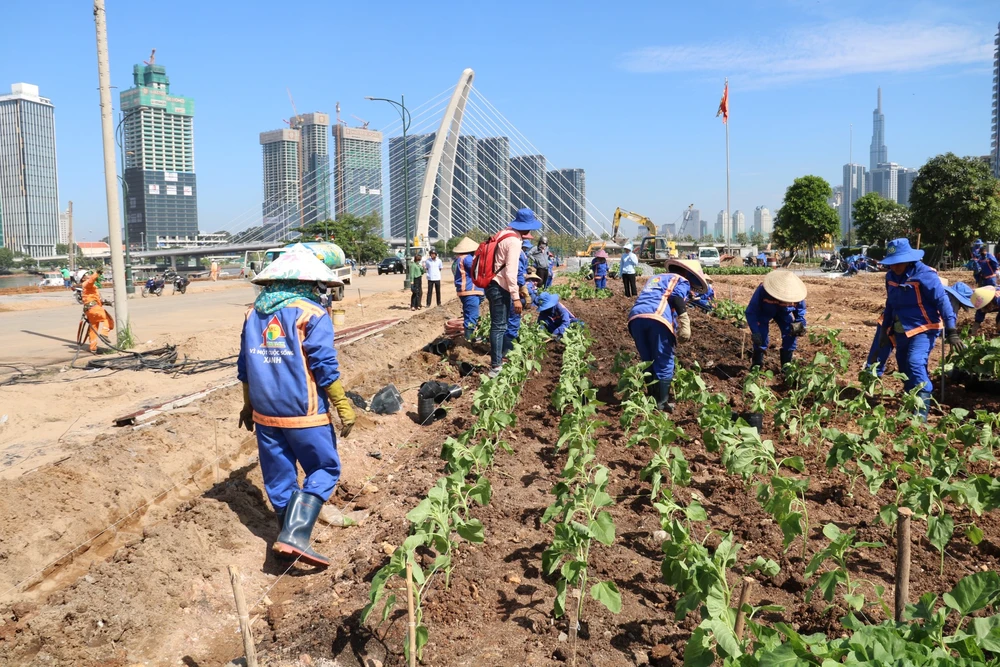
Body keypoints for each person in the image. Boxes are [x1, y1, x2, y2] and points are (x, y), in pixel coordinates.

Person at [237, 244, 355, 567]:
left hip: (265, 414)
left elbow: (245, 367)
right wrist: (342, 404)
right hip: (304, 413)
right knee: (324, 468)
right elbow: (324, 366)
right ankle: (296, 534)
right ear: (307, 283)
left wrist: (248, 406)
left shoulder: (253, 314)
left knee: (279, 479)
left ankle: (284, 543)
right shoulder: (311, 313)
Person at [880, 237, 963, 419]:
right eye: (891, 264)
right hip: (901, 328)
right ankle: (912, 403)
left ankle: (921, 414)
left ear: (908, 259)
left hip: (924, 327)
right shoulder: (890, 277)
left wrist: (952, 331)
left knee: (915, 363)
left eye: (898, 263)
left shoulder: (925, 274)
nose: (894, 267)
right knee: (903, 368)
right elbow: (890, 304)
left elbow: (942, 301)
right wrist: (886, 329)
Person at [627, 259, 704, 411]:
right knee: (664, 360)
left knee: (647, 360)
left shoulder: (657, 278)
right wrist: (684, 321)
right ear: (688, 274)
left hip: (635, 318)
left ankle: (651, 399)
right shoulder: (682, 280)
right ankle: (662, 403)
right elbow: (675, 298)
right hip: (657, 316)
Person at [485, 208, 541, 376]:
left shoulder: (503, 234)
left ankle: (501, 358)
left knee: (498, 325)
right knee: (500, 326)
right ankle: (496, 365)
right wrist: (516, 298)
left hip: (491, 283)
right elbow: (511, 272)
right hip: (499, 286)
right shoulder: (515, 241)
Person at [745, 270, 808, 369]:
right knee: (761, 337)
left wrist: (800, 323)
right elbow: (751, 312)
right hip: (765, 311)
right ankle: (757, 365)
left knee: (790, 334)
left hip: (784, 312)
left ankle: (786, 368)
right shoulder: (763, 290)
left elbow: (800, 310)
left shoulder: (796, 293)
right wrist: (755, 331)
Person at [451, 237, 483, 339]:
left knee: (468, 314)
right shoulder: (467, 258)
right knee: (472, 315)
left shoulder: (457, 260)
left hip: (464, 291)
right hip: (470, 291)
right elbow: (478, 269)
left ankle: (469, 336)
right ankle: (469, 338)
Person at [505, 239, 531, 354]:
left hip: (503, 287)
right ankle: (508, 350)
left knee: (502, 321)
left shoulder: (506, 249)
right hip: (513, 288)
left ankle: (502, 349)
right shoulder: (518, 253)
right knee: (513, 318)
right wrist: (523, 288)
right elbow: (518, 272)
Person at [81, 268, 114, 353]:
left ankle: (93, 347)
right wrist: (96, 273)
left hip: (89, 310)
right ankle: (104, 333)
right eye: (87, 274)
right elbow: (91, 281)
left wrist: (105, 302)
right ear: (83, 278)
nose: (89, 275)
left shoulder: (88, 288)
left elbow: (94, 298)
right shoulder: (87, 284)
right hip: (94, 308)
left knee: (93, 328)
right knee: (108, 319)